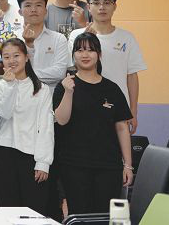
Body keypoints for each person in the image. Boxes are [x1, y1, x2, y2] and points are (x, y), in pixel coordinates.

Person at [53, 32, 134, 216]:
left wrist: (128, 165)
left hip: (108, 166)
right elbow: (62, 120)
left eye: (90, 50)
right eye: (80, 50)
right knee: (80, 215)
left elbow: (122, 128)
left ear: (99, 54)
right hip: (74, 165)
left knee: (105, 216)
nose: (85, 54)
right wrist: (68, 92)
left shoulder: (112, 89)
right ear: (73, 55)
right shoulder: (65, 86)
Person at [68, 0, 146, 133]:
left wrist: (133, 111)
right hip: (84, 104)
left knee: (118, 146)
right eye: (96, 3)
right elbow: (73, 69)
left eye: (107, 2)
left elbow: (132, 75)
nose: (102, 7)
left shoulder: (126, 37)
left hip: (118, 107)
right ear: (88, 7)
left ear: (114, 6)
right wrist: (88, 41)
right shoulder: (77, 36)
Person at [0, 38, 53, 215]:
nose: (11, 60)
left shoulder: (42, 89)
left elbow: (46, 126)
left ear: (26, 57)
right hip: (3, 154)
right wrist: (11, 86)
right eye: (6, 57)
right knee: (7, 211)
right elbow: (4, 112)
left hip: (31, 156)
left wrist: (43, 162)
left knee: (33, 211)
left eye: (16, 55)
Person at [15, 0, 69, 90]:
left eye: (38, 5)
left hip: (50, 96)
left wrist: (24, 75)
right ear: (20, 12)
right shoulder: (13, 38)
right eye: (28, 5)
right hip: (19, 94)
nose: (33, 10)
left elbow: (59, 73)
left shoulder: (59, 39)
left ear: (45, 10)